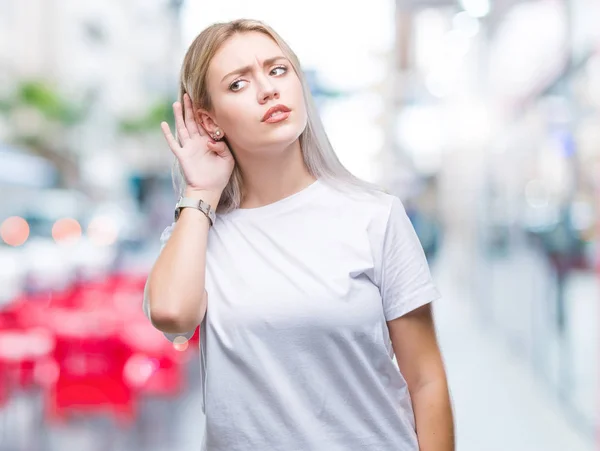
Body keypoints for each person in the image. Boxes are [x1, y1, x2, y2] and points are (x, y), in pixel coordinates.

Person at [144, 18, 454, 451]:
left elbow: (426, 380)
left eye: (277, 70)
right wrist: (199, 192)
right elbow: (173, 315)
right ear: (208, 120)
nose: (268, 90)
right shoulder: (199, 229)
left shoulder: (374, 216)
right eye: (238, 84)